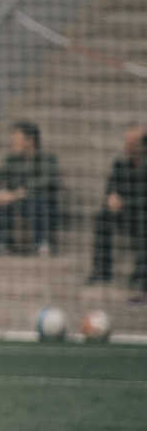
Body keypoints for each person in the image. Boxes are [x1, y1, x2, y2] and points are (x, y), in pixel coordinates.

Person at [0, 121, 59, 255]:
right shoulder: (11, 159)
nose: (13, 142)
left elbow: (46, 181)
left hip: (36, 201)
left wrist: (17, 193)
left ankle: (42, 243)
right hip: (14, 201)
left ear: (30, 140)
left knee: (37, 202)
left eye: (17, 138)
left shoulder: (46, 159)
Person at [89, 123, 147, 300]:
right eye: (126, 142)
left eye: (132, 143)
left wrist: (125, 202)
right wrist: (111, 197)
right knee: (101, 216)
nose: (126, 146)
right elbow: (111, 187)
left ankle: (140, 276)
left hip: (141, 214)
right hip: (124, 213)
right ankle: (101, 270)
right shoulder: (120, 164)